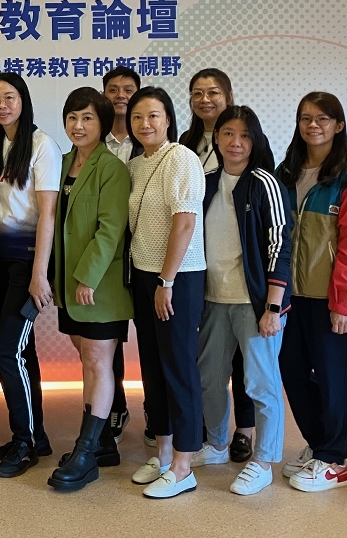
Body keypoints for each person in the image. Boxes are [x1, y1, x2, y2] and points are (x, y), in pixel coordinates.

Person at [193, 106, 292, 497]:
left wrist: (273, 307)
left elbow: (280, 245)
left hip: (256, 306)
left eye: (245, 135)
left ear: (255, 141)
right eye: (228, 134)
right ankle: (217, 444)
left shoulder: (264, 182)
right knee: (210, 379)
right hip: (213, 301)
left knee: (261, 384)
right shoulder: (205, 182)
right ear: (216, 138)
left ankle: (264, 460)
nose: (236, 142)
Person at [275, 93, 347, 492]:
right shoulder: (285, 173)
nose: (313, 125)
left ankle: (334, 460)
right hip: (288, 298)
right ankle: (318, 445)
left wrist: (343, 303)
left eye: (323, 118)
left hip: (329, 298)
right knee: (292, 372)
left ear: (338, 125)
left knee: (334, 381)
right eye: (305, 118)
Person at [123, 87, 207, 499]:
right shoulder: (136, 164)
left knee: (179, 368)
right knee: (153, 368)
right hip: (143, 276)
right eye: (137, 117)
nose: (145, 124)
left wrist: (166, 281)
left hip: (177, 279)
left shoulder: (182, 158)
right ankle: (163, 453)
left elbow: (185, 223)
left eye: (153, 115)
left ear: (169, 119)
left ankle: (184, 466)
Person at [47, 87, 132, 492]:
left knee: (98, 361)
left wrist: (87, 278)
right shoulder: (63, 163)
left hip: (99, 287)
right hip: (68, 286)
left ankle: (86, 453)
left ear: (103, 123)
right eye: (72, 118)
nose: (78, 126)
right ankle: (101, 445)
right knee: (87, 358)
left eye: (87, 118)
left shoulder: (112, 168)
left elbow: (110, 230)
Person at [0, 72, 60, 478]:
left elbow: (49, 213)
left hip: (28, 264)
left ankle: (24, 442)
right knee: (21, 352)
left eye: (9, 97)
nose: (2, 105)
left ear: (23, 100)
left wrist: (39, 274)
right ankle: (35, 436)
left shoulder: (42, 145)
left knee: (6, 351)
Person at [179, 68, 254, 462]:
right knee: (209, 356)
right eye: (197, 93)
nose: (205, 100)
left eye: (213, 92)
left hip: (239, 268)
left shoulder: (245, 139)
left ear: (228, 96)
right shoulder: (185, 143)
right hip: (198, 263)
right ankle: (213, 430)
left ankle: (245, 429)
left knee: (243, 359)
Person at [101, 65, 140, 442]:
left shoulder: (150, 139)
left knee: (153, 336)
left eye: (128, 89)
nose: (121, 95)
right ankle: (115, 406)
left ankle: (157, 412)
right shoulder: (93, 140)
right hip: (107, 253)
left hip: (145, 249)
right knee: (108, 338)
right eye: (113, 89)